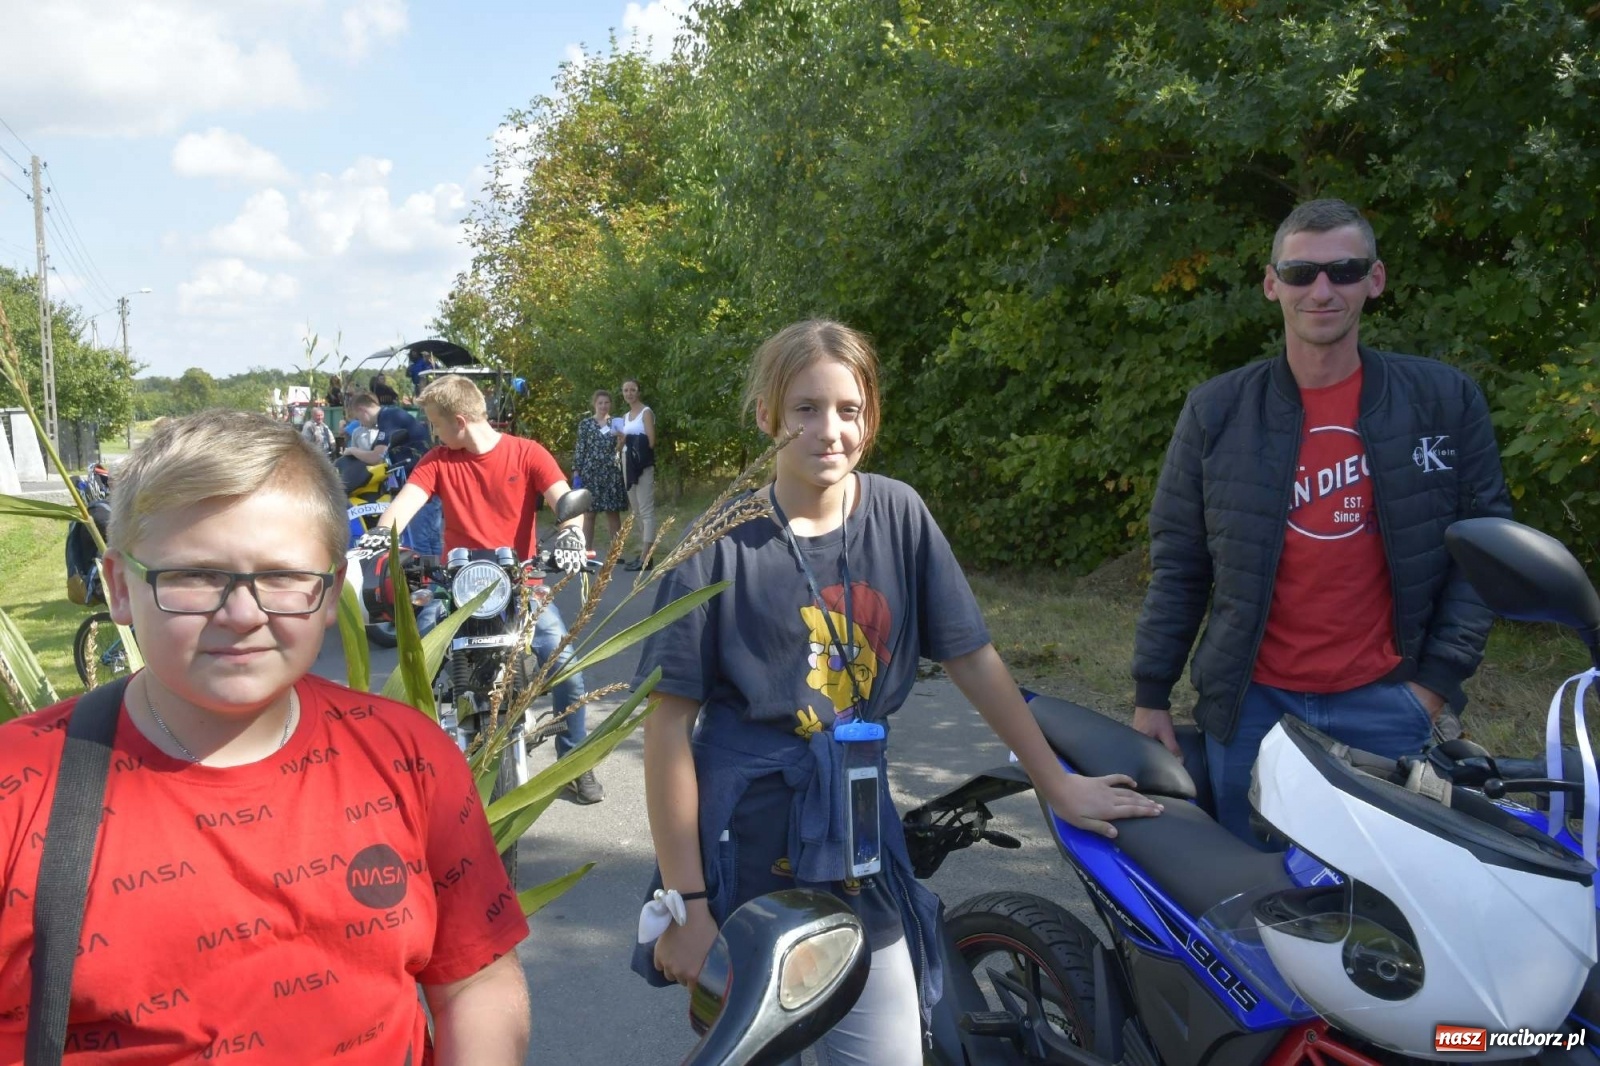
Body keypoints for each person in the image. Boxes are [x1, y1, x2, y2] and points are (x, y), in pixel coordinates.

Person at [632, 319, 1161, 1062]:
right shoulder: (716, 542)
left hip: (857, 836)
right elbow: (667, 730)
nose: (830, 431)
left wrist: (1058, 785)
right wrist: (687, 904)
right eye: (806, 409)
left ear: (870, 416)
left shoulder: (898, 513)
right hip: (744, 846)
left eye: (849, 410)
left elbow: (974, 659)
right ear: (767, 415)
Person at [0, 410, 531, 1063]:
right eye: (195, 575)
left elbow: (475, 979)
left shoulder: (409, 758)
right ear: (119, 587)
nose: (242, 614)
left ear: (330, 593)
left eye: (282, 576)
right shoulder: (20, 787)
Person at [1131, 198, 1513, 844]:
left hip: (1390, 705)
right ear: (1272, 283)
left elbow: (1484, 552)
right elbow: (1180, 566)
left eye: (1345, 270)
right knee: (1253, 891)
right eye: (1302, 272)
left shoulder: (1443, 402)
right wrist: (1151, 695)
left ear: (1375, 279)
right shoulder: (1217, 412)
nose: (1323, 290)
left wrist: (1434, 687)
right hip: (1252, 707)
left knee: (1390, 897)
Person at [359, 373, 605, 805]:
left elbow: (564, 500)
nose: (433, 432)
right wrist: (383, 532)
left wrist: (571, 535)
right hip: (457, 586)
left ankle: (575, 763)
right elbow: (405, 502)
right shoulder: (438, 460)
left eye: (436, 423)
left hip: (521, 583)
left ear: (458, 421)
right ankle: (419, 764)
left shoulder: (527, 452)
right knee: (417, 663)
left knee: (565, 664)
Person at [572, 389, 628, 552]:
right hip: (590, 472)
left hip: (611, 471)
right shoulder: (586, 424)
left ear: (611, 404)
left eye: (606, 402)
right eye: (600, 403)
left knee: (613, 513)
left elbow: (619, 450)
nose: (603, 406)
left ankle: (615, 554)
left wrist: (622, 441)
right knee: (589, 514)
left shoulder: (616, 423)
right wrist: (576, 472)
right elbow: (580, 449)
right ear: (594, 404)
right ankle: (586, 552)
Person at [618, 378, 656, 570]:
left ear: (638, 392)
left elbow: (651, 442)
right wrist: (620, 441)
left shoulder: (646, 412)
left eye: (632, 390)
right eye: (626, 390)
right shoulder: (625, 417)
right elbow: (620, 445)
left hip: (642, 465)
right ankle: (645, 554)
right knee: (636, 511)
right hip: (628, 464)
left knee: (646, 509)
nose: (629, 393)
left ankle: (646, 557)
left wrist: (631, 439)